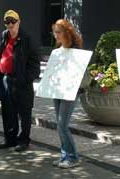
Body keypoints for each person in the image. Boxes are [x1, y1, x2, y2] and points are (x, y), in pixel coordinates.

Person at [0, 10, 40, 152]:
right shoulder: (4, 36)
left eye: (12, 22)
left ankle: (24, 141)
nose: (10, 25)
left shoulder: (27, 39)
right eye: (7, 22)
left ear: (18, 22)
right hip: (6, 80)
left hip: (21, 82)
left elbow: (35, 65)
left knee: (24, 114)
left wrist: (26, 79)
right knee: (8, 112)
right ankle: (10, 139)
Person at [50, 19, 83, 168]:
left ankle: (73, 158)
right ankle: (65, 156)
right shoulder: (57, 52)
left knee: (63, 125)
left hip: (70, 91)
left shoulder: (76, 53)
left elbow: (79, 73)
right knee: (60, 125)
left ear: (67, 33)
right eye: (54, 32)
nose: (55, 35)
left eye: (58, 32)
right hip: (57, 89)